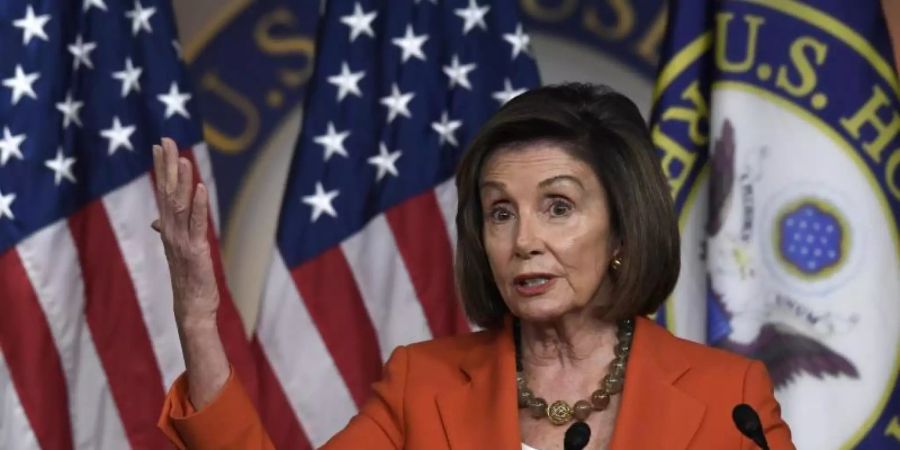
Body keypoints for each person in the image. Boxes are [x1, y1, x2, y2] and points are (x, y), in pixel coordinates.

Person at [152, 83, 794, 449]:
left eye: (559, 207)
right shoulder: (420, 386)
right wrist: (199, 323)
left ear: (623, 229)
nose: (524, 241)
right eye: (500, 212)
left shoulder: (728, 400)